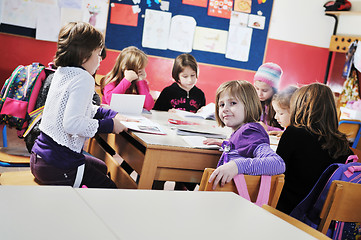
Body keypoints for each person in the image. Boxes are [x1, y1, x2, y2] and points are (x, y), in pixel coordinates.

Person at [31, 22, 127, 188]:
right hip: (58, 165)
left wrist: (108, 114)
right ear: (84, 56)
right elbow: (72, 124)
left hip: (40, 157)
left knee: (102, 168)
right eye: (98, 53)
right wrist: (110, 125)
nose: (101, 59)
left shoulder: (62, 71)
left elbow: (80, 108)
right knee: (112, 191)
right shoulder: (83, 78)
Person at [276, 83, 354, 214]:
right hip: (317, 220)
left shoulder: (294, 133)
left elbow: (275, 173)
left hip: (286, 212)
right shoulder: (343, 145)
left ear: (299, 107)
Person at [208, 80, 285, 190]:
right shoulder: (243, 132)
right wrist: (228, 145)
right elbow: (244, 149)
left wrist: (236, 166)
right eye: (221, 104)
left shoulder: (249, 132)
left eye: (233, 103)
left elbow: (277, 163)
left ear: (249, 105)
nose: (225, 109)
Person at [100, 46, 154, 111]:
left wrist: (140, 81)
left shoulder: (139, 83)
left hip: (131, 118)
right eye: (139, 68)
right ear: (125, 68)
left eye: (142, 68)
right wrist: (127, 80)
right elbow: (111, 101)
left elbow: (149, 106)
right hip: (112, 117)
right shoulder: (111, 80)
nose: (141, 71)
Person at [254, 62, 283, 132]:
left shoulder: (279, 105)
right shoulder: (253, 102)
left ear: (274, 90)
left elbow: (285, 130)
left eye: (264, 90)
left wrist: (268, 128)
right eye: (257, 88)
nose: (259, 94)